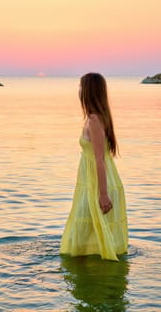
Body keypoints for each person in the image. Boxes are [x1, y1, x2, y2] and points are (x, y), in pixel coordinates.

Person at [60, 72, 128, 261]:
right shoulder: (96, 118)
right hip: (94, 183)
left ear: (88, 91)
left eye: (81, 87)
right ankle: (94, 271)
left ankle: (90, 273)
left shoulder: (94, 121)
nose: (79, 91)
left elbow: (100, 160)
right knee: (90, 230)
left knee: (84, 231)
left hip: (98, 185)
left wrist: (103, 194)